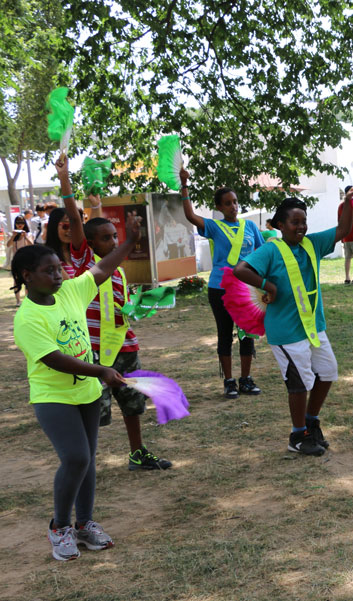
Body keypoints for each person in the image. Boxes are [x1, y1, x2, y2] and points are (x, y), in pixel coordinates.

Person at [11, 208, 141, 561]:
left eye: (59, 268)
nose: (58, 275)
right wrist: (101, 370)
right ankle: (60, 527)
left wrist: (128, 242)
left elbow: (102, 268)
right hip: (54, 397)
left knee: (87, 460)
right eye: (48, 271)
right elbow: (53, 358)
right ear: (27, 276)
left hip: (86, 392)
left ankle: (84, 525)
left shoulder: (70, 291)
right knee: (75, 457)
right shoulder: (27, 317)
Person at [233, 196, 353, 455]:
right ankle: (297, 437)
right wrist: (268, 285)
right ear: (280, 224)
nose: (300, 227)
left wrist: (350, 202)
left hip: (313, 327)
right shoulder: (271, 249)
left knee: (328, 372)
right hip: (286, 331)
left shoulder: (312, 244)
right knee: (299, 383)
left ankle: (311, 422)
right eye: (294, 222)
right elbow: (240, 269)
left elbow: (344, 230)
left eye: (303, 222)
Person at [70, 216, 171, 470]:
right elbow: (74, 220)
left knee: (133, 403)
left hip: (125, 347)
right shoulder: (86, 266)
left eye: (115, 236)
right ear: (89, 243)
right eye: (106, 238)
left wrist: (136, 307)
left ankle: (137, 454)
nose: (114, 241)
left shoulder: (120, 272)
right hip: (93, 352)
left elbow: (118, 306)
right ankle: (85, 463)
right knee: (93, 410)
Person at [181, 170, 265, 398]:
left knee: (248, 333)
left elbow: (261, 253)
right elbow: (190, 216)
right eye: (227, 203)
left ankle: (246, 379)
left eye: (235, 202)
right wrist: (184, 185)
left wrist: (263, 282)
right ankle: (229, 382)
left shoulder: (250, 228)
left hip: (247, 288)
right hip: (220, 288)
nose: (233, 206)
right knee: (225, 333)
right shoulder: (214, 227)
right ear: (219, 207)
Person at [5, 216, 34, 303]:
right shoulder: (12, 234)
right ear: (15, 224)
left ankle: (27, 300)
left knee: (27, 280)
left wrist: (25, 237)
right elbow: (8, 245)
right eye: (18, 223)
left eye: (22, 223)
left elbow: (32, 245)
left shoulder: (28, 234)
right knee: (16, 280)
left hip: (27, 260)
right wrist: (13, 236)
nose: (20, 225)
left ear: (25, 224)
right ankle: (18, 300)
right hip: (17, 260)